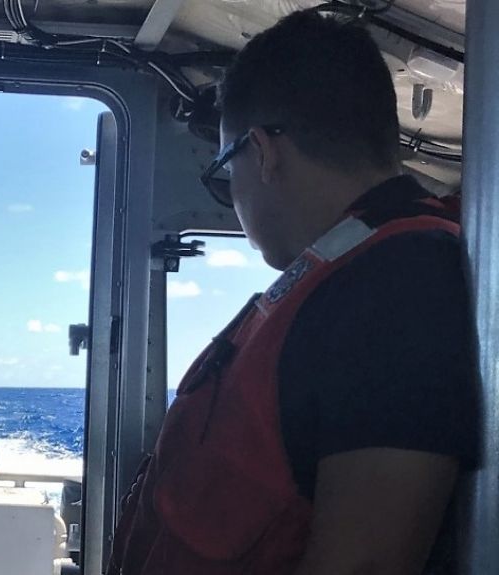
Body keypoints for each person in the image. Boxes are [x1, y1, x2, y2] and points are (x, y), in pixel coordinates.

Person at [107, 9, 479, 575]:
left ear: (261, 152)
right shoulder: (359, 274)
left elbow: (365, 565)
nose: (231, 196)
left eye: (224, 173)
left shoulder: (399, 288)